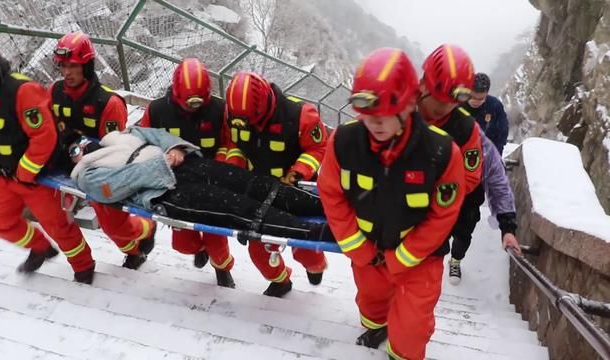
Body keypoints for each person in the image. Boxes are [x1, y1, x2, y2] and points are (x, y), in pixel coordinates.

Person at [318, 48, 466, 360]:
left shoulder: (441, 152)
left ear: (410, 103)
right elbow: (331, 193)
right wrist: (356, 246)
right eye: (367, 114)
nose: (375, 123)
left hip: (419, 260)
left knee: (412, 330)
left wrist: (404, 256)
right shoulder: (344, 142)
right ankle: (375, 327)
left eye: (385, 114)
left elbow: (444, 213)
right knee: (371, 305)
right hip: (368, 252)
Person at [0, 12, 96, 284]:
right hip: (4, 173)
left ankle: (84, 266)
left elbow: (44, 137)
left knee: (60, 227)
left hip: (37, 176)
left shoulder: (21, 90)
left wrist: (26, 172)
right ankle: (40, 248)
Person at [67, 127, 334, 246]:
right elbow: (119, 185)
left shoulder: (120, 137)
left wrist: (174, 148)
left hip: (185, 166)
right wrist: (163, 160)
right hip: (167, 193)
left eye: (79, 142)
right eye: (73, 150)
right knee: (240, 210)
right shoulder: (87, 174)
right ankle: (318, 232)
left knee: (251, 183)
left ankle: (324, 206)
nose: (81, 148)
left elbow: (157, 134)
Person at [50, 31, 156, 270]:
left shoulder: (108, 103)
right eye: (63, 65)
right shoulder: (55, 92)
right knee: (55, 217)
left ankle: (147, 227)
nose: (67, 72)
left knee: (114, 225)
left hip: (101, 171)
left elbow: (112, 151)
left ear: (87, 66)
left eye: (73, 66)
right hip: (66, 166)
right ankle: (135, 253)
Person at [417, 44, 520, 285]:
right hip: (415, 214)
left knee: (464, 229)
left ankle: (455, 260)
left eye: (457, 98)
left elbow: (496, 174)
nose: (443, 106)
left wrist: (508, 225)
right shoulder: (399, 111)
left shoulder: (470, 125)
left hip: (469, 188)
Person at [222, 71, 328, 297]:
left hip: (295, 192)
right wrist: (234, 166)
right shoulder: (233, 114)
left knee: (306, 250)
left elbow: (318, 148)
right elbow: (234, 143)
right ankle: (281, 281)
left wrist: (298, 172)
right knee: (258, 250)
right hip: (259, 190)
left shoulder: (301, 115)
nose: (246, 125)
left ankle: (315, 266)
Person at [139, 58, 234, 287]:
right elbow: (142, 140)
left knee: (217, 240)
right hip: (175, 184)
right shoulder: (158, 110)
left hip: (211, 183)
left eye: (199, 101)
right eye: (190, 101)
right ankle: (198, 249)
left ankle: (222, 270)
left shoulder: (220, 111)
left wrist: (219, 168)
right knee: (182, 244)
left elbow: (231, 144)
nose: (194, 106)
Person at [465, 72, 509, 155]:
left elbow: (502, 134)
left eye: (480, 99)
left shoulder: (495, 107)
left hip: (485, 152)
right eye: (473, 97)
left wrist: (495, 155)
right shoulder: (458, 104)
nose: (476, 102)